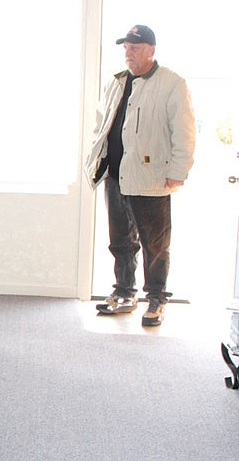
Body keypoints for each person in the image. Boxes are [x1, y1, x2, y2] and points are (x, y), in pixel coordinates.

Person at [84, 25, 196, 327]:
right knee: (120, 241)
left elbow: (184, 133)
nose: (128, 52)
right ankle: (124, 294)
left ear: (151, 50)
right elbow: (101, 124)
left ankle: (156, 300)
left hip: (151, 180)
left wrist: (178, 172)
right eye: (126, 47)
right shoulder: (117, 82)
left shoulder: (172, 83)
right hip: (116, 176)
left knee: (155, 246)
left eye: (135, 46)